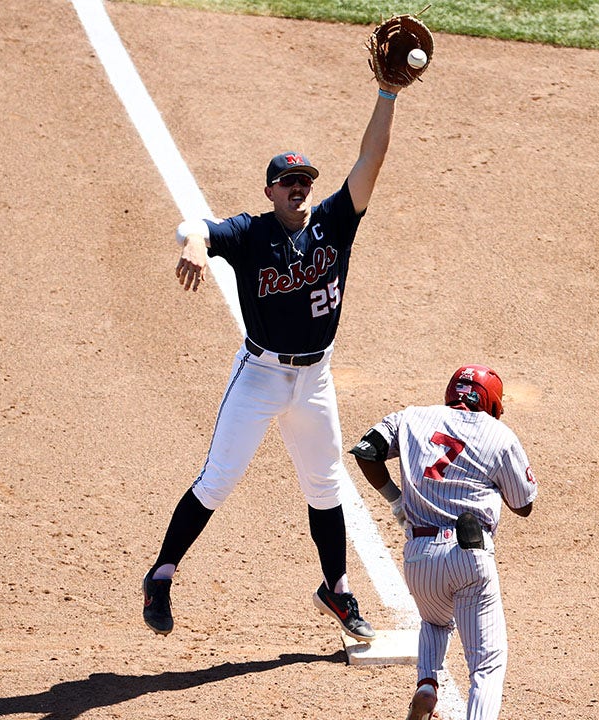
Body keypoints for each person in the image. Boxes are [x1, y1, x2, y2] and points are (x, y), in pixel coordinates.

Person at [141, 77, 412, 642]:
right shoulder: (248, 233)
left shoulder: (336, 221)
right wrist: (194, 244)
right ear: (270, 190)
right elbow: (192, 226)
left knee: (325, 485)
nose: (299, 189)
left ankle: (335, 590)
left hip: (315, 378)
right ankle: (162, 574)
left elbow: (372, 157)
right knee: (218, 480)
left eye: (305, 181)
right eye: (288, 182)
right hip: (260, 375)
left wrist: (386, 94)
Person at [349, 365, 538, 720]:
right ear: (493, 403)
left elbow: (366, 451)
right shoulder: (498, 434)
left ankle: (426, 683)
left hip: (419, 557)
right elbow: (524, 505)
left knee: (435, 622)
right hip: (470, 556)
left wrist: (396, 501)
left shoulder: (411, 417)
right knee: (486, 667)